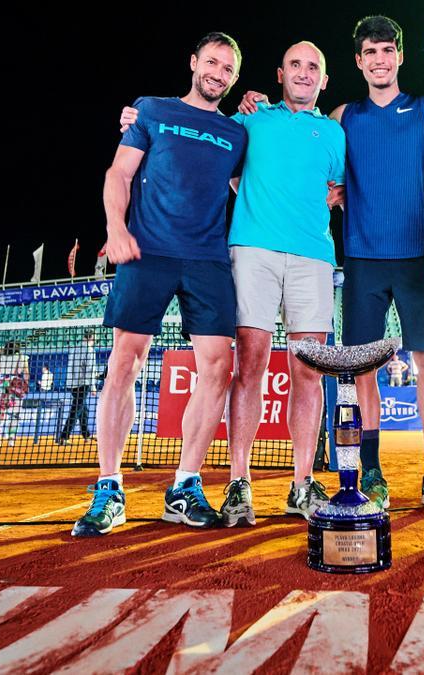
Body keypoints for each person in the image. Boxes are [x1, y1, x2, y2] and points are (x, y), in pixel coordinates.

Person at [230, 16, 424, 517]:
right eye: (370, 52)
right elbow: (310, 175)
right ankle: (370, 472)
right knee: (361, 369)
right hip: (361, 260)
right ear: (358, 61)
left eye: (388, 50)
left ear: (400, 57)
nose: (380, 59)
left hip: (417, 258)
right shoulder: (342, 117)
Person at [125, 40, 345, 527]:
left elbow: (338, 186)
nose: (304, 74)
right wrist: (134, 120)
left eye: (314, 67)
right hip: (251, 252)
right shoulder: (247, 122)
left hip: (313, 258)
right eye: (295, 66)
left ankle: (302, 484)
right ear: (279, 74)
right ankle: (239, 483)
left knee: (308, 373)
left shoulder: (334, 134)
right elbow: (209, 155)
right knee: (250, 366)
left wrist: (328, 198)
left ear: (324, 81)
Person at [73, 33, 247, 537]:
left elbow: (252, 185)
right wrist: (115, 228)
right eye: (211, 61)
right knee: (124, 360)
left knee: (218, 365)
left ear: (234, 78)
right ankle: (109, 488)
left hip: (208, 259)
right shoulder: (151, 110)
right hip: (146, 252)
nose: (218, 72)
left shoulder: (237, 133)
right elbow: (119, 173)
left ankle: (185, 487)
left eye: (228, 68)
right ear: (193, 62)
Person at [58, 328, 97, 445]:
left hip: (72, 384)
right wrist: (93, 386)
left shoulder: (74, 349)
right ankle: (64, 437)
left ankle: (87, 435)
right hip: (83, 384)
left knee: (83, 409)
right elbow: (89, 370)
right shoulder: (89, 350)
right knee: (75, 410)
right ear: (92, 338)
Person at [0, 340, 30, 447]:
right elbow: (26, 374)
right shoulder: (23, 358)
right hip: (16, 385)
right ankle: (11, 439)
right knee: (14, 414)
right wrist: (26, 385)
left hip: (1, 384)